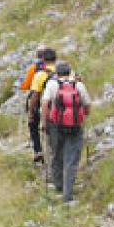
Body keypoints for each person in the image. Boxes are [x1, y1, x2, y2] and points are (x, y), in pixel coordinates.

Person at [41, 61, 91, 203]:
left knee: (56, 154)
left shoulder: (51, 84)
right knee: (71, 159)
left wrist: (43, 123)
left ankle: (58, 186)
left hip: (55, 125)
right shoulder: (78, 85)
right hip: (75, 126)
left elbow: (45, 105)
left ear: (56, 72)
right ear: (70, 72)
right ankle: (67, 194)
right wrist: (82, 115)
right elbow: (87, 105)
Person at [26, 48, 57, 164]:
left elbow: (34, 95)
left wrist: (30, 112)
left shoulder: (39, 74)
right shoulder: (67, 72)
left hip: (47, 109)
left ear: (43, 59)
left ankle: (38, 150)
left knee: (33, 123)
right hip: (67, 109)